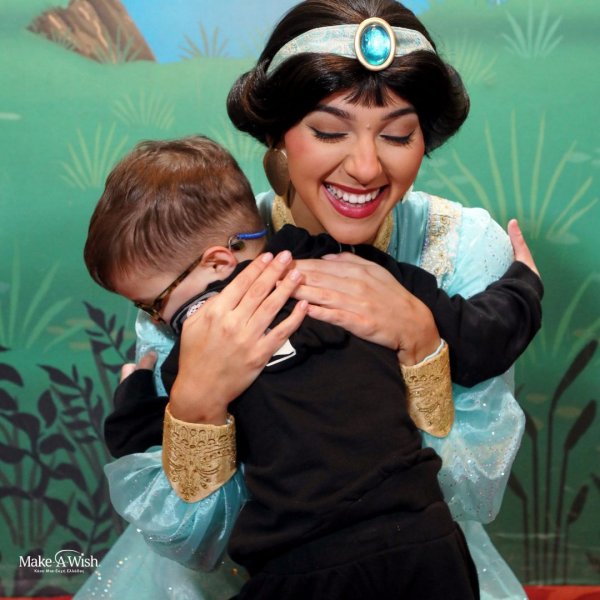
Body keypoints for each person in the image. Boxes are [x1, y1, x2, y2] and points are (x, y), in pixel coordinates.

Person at [75, 1, 540, 598]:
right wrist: (196, 403)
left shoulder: (463, 245)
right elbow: (194, 539)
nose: (366, 167)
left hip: (419, 560)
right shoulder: (197, 252)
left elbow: (472, 489)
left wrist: (421, 338)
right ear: (278, 134)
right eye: (328, 131)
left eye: (398, 134)